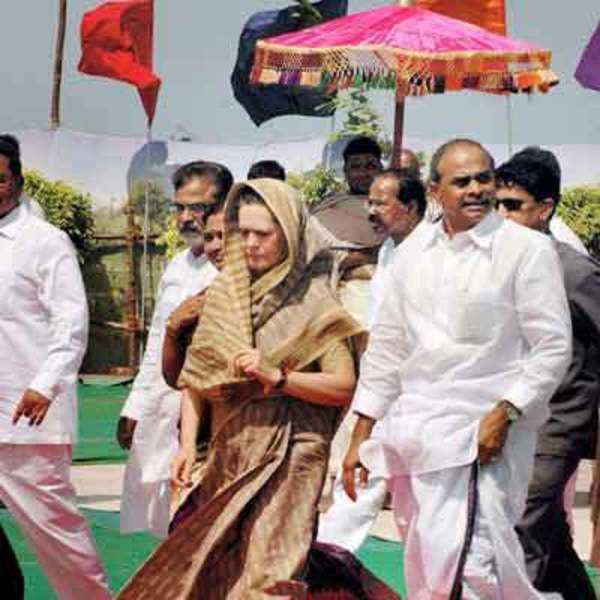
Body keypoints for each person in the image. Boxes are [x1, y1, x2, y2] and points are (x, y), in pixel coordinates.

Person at [343, 138, 572, 599]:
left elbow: (552, 348)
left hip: (488, 437)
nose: (475, 190)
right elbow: (387, 348)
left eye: (484, 178)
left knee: (475, 562)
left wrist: (505, 412)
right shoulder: (410, 255)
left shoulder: (525, 251)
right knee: (427, 561)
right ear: (434, 191)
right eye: (461, 181)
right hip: (417, 434)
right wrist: (359, 433)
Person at [117, 178, 366, 599]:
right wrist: (187, 446)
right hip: (229, 452)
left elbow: (343, 386)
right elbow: (199, 379)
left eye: (263, 234)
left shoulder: (317, 302)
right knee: (211, 567)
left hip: (293, 456)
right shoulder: (223, 297)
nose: (250, 244)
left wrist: (281, 378)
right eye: (242, 233)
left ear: (289, 234)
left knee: (270, 574)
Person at [0, 134, 111, 599]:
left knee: (57, 534)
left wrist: (44, 385)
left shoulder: (43, 242)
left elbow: (70, 323)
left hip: (26, 417)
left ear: (17, 182)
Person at [496, 147, 599, 600]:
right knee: (549, 538)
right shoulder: (491, 262)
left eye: (513, 205)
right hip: (507, 418)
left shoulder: (574, 271)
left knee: (520, 528)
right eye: (496, 203)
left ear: (545, 209)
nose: (501, 214)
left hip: (558, 422)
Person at [118, 161, 232, 538]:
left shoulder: (235, 270)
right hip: (166, 409)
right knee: (165, 519)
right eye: (178, 207)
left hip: (215, 419)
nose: (185, 218)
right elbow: (156, 341)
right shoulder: (177, 266)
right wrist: (135, 406)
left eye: (196, 207)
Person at [319, 167, 427, 552]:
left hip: (423, 394)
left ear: (411, 206)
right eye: (370, 201)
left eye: (381, 203)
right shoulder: (390, 250)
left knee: (429, 514)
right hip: (384, 385)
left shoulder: (434, 253)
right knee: (361, 475)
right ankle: (325, 560)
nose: (371, 211)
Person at [310, 136, 385, 324]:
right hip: (337, 298)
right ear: (345, 171)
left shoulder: (397, 209)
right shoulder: (326, 209)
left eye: (370, 166)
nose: (363, 173)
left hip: (388, 297)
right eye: (356, 167)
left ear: (380, 169)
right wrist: (368, 256)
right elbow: (314, 256)